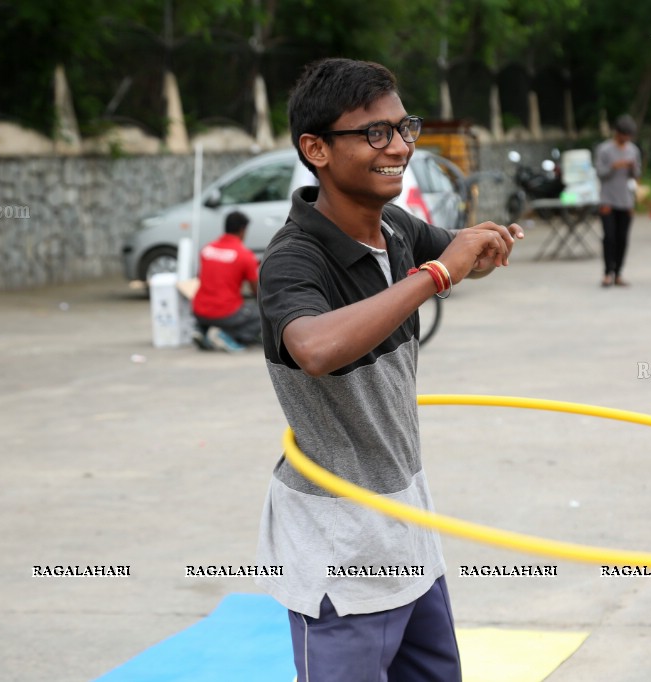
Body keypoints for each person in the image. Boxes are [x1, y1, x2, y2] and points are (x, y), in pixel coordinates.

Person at [255, 58, 523, 682]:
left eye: (405, 129)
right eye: (376, 133)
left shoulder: (395, 227)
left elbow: (458, 252)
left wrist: (482, 246)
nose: (399, 147)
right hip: (339, 535)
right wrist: (438, 275)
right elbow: (316, 349)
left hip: (406, 514)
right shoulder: (293, 260)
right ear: (315, 149)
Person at [191, 210, 261, 351]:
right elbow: (256, 291)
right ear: (242, 230)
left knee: (225, 308)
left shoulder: (207, 249)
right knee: (261, 314)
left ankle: (203, 330)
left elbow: (201, 277)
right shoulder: (245, 255)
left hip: (198, 310)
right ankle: (227, 335)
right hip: (225, 313)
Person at [595, 114, 641, 287]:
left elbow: (637, 175)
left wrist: (632, 167)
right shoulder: (604, 149)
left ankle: (619, 272)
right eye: (624, 135)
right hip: (608, 199)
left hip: (626, 200)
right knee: (609, 237)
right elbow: (600, 173)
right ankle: (607, 273)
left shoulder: (633, 150)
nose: (626, 139)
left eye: (629, 136)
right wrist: (614, 166)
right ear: (617, 133)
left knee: (623, 238)